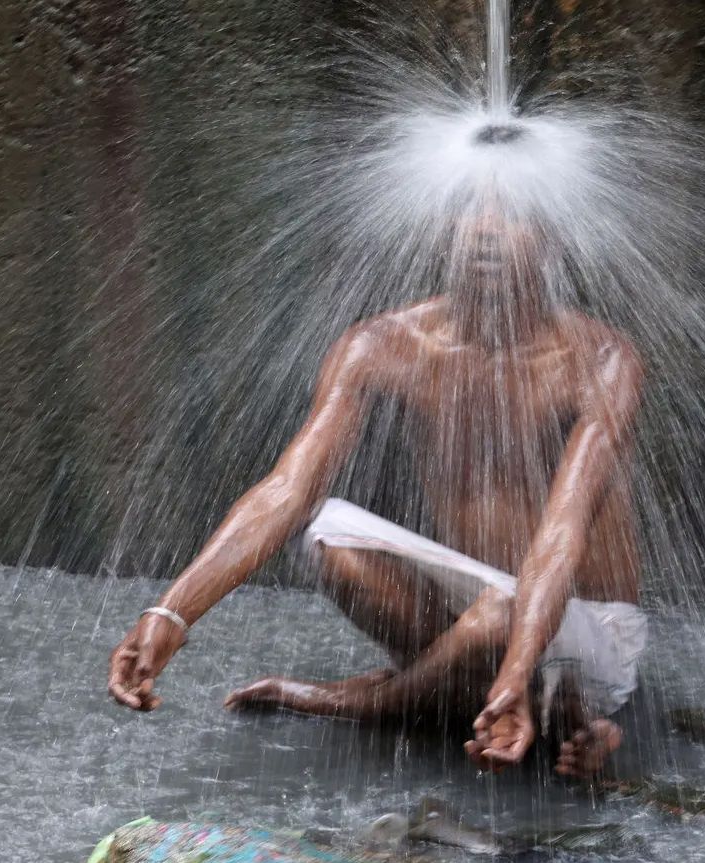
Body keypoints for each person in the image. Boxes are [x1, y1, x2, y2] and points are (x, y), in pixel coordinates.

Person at [106, 197, 647, 778]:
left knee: (499, 618)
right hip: (481, 604)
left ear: (552, 236)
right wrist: (171, 612)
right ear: (441, 224)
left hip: (588, 627)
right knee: (331, 542)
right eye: (466, 206)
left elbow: (563, 535)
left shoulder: (600, 358)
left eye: (512, 211)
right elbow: (286, 488)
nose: (485, 230)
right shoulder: (384, 343)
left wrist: (516, 668)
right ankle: (531, 709)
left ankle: (390, 701)